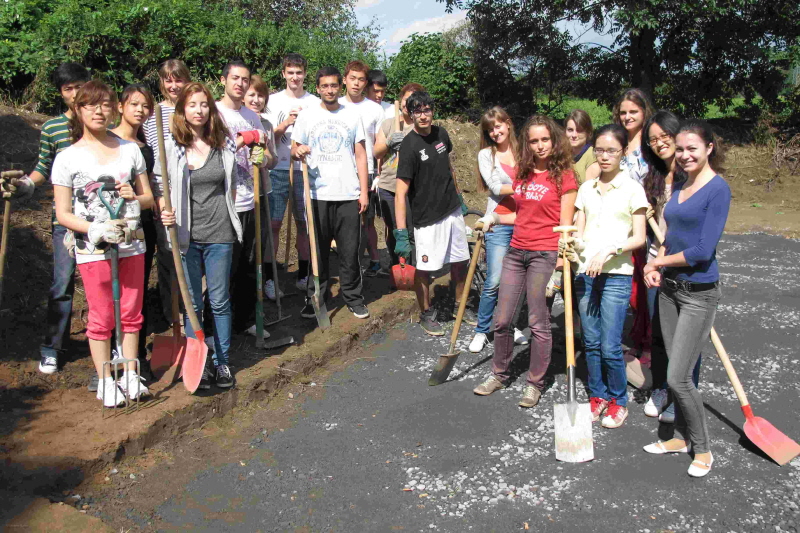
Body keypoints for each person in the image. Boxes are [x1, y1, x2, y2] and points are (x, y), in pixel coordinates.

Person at [51, 80, 154, 406]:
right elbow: (63, 213)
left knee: (130, 312)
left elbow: (149, 197)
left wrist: (134, 200)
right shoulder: (68, 158)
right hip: (93, 249)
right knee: (101, 315)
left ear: (113, 108)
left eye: (104, 104)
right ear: (78, 111)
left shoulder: (130, 150)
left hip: (131, 244)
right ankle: (106, 381)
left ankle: (128, 373)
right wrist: (93, 228)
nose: (98, 110)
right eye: (90, 105)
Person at [642, 120, 730, 478]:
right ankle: (679, 437)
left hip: (699, 294)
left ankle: (703, 449)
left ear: (709, 147)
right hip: (670, 289)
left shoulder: (717, 189)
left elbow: (701, 251)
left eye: (692, 148)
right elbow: (672, 232)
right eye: (680, 149)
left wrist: (658, 260)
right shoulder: (680, 182)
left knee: (679, 377)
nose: (684, 154)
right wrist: (657, 263)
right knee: (675, 368)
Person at [472, 115, 578, 408]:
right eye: (534, 140)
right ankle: (499, 374)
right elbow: (522, 215)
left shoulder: (564, 176)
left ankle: (534, 383)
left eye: (545, 139)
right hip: (517, 251)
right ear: (527, 144)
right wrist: (493, 217)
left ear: (554, 140)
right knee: (503, 319)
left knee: (538, 322)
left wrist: (559, 267)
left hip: (544, 255)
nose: (540, 145)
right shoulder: (523, 173)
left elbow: (566, 228)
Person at [155, 82, 243, 389]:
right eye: (192, 105)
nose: (199, 110)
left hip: (220, 233)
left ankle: (222, 363)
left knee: (219, 301)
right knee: (193, 304)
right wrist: (164, 208)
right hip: (186, 236)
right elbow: (160, 184)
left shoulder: (224, 142)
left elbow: (231, 183)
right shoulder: (171, 146)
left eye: (204, 104)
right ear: (182, 110)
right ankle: (199, 362)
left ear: (211, 108)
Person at [4, 63, 90, 377]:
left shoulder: (100, 122)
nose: (75, 93)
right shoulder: (53, 128)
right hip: (65, 221)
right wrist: (25, 184)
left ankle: (105, 341)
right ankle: (53, 347)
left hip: (98, 219)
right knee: (62, 284)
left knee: (102, 286)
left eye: (80, 86)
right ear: (61, 93)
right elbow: (44, 167)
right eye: (68, 89)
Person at [563, 123, 648, 428]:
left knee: (611, 345)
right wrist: (572, 243)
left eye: (611, 150)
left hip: (616, 276)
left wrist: (610, 250)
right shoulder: (586, 189)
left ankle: (618, 400)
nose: (604, 156)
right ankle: (597, 396)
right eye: (599, 150)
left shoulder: (632, 189)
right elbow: (581, 232)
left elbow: (639, 237)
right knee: (592, 341)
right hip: (587, 273)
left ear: (623, 152)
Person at [291, 66, 370, 320]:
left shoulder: (351, 115)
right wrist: (298, 150)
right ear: (318, 88)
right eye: (324, 86)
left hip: (348, 193)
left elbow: (360, 155)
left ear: (340, 86)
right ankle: (315, 298)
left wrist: (364, 192)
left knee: (350, 251)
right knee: (318, 252)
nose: (329, 90)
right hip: (316, 194)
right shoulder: (307, 115)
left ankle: (354, 298)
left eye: (334, 85)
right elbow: (294, 147)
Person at [394, 91, 472, 336]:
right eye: (417, 111)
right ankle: (426, 312)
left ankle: (461, 305)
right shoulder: (409, 146)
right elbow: (400, 193)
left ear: (432, 111)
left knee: (461, 260)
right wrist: (400, 233)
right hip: (427, 219)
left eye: (427, 110)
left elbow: (448, 166)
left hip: (452, 211)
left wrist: (458, 196)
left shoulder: (442, 134)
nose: (423, 115)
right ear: (410, 114)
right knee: (425, 269)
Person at [639, 111, 699, 424]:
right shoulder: (655, 177)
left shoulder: (694, 178)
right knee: (660, 334)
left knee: (687, 340)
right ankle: (662, 388)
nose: (660, 143)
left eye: (665, 136)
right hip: (656, 266)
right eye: (653, 139)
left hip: (685, 266)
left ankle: (682, 395)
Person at [468, 106, 528, 353]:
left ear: (508, 123)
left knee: (516, 281)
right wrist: (525, 188)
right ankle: (482, 330)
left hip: (524, 221)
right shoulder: (486, 155)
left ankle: (510, 325)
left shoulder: (525, 151)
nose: (495, 132)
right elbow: (494, 187)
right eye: (490, 129)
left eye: (498, 125)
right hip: (499, 221)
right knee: (493, 280)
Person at [215, 59, 269, 338]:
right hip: (223, 202)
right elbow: (211, 154)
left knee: (249, 262)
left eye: (245, 79)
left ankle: (245, 319)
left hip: (250, 198)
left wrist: (262, 154)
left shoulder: (253, 115)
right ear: (223, 80)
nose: (240, 83)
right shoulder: (212, 112)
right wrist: (243, 139)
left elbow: (267, 157)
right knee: (224, 266)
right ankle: (215, 328)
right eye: (235, 78)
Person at [110, 84, 157, 379]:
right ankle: (110, 356)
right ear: (120, 106)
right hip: (110, 228)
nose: (140, 110)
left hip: (142, 226)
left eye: (145, 106)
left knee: (135, 293)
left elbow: (148, 192)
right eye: (134, 104)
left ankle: (135, 357)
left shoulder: (145, 148)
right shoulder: (107, 141)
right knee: (110, 293)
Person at [142, 59, 191, 331]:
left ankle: (192, 309)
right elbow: (149, 159)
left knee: (192, 251)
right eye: (168, 80)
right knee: (168, 252)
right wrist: (157, 194)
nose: (173, 85)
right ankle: (172, 314)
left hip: (193, 190)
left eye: (178, 79)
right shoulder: (154, 114)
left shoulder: (194, 109)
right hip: (165, 191)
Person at [265, 53, 317, 293]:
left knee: (304, 224)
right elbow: (265, 139)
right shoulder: (271, 101)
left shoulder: (314, 103)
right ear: (283, 74)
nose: (295, 77)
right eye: (290, 72)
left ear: (305, 74)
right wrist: (285, 124)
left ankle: (305, 274)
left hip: (303, 170)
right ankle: (269, 277)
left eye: (299, 72)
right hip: (277, 169)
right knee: (274, 224)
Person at [614, 89, 656, 376]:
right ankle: (638, 339)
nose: (628, 116)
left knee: (647, 286)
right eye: (623, 112)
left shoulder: (652, 146)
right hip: (622, 225)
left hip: (648, 225)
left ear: (644, 113)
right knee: (632, 290)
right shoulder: (619, 145)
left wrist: (653, 204)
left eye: (633, 111)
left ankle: (650, 345)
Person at [339, 61, 385, 277]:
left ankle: (375, 259)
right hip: (341, 171)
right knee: (345, 223)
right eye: (353, 78)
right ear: (344, 79)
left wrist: (379, 173)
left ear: (366, 83)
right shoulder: (335, 105)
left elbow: (380, 144)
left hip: (367, 171)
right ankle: (349, 262)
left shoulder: (375, 109)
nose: (356, 83)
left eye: (361, 80)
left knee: (367, 220)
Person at [373, 83, 424, 277]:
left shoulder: (422, 125)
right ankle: (396, 268)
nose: (408, 105)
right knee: (394, 229)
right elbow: (376, 152)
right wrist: (388, 142)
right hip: (389, 185)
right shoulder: (388, 124)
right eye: (405, 100)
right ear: (401, 101)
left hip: (413, 186)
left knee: (411, 230)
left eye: (413, 101)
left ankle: (415, 269)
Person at [243, 74, 280, 300]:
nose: (256, 100)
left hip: (262, 189)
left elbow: (274, 159)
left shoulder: (266, 125)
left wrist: (265, 159)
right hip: (240, 193)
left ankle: (266, 280)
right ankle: (245, 290)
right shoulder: (234, 120)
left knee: (263, 239)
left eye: (261, 96)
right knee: (244, 245)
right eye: (252, 95)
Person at [565, 109, 599, 185]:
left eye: (579, 130)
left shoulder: (592, 156)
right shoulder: (562, 154)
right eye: (570, 130)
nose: (574, 135)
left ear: (588, 132)